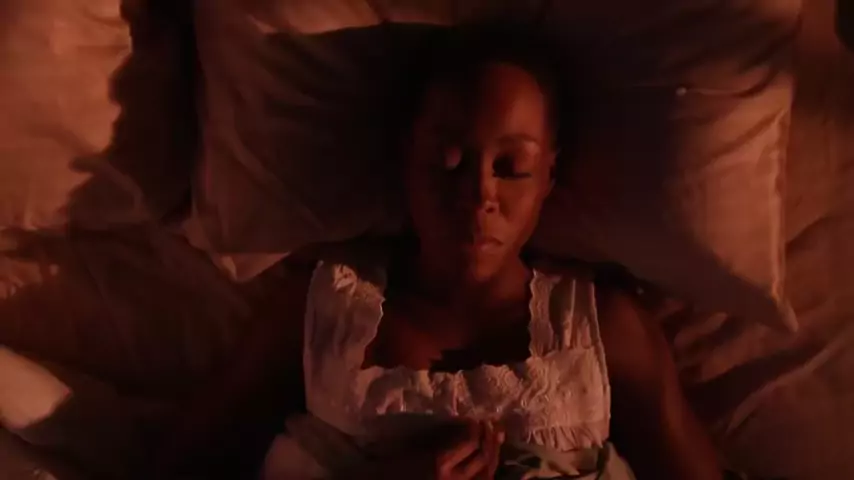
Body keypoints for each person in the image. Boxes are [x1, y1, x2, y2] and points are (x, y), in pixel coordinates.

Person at [155, 27, 723, 480]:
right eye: (449, 161)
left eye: (511, 167)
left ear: (549, 176)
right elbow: (178, 469)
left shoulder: (603, 332)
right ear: (407, 158)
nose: (479, 193)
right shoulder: (321, 313)